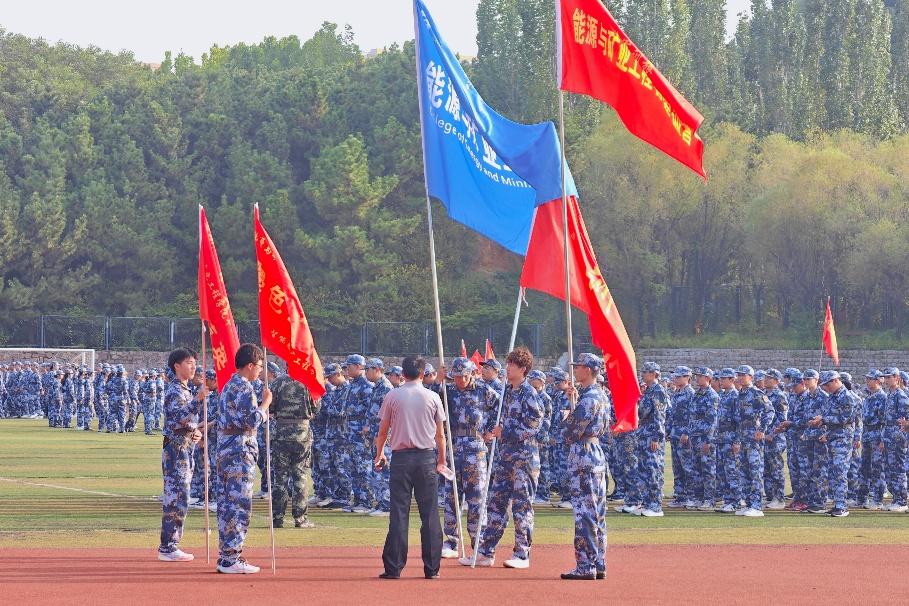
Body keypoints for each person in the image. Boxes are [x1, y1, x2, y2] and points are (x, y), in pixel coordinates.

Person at [461, 347, 543, 569]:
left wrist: (505, 432)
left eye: (511, 365)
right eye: (507, 364)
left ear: (523, 369)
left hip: (524, 459)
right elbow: (494, 415)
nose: (507, 368)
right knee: (496, 504)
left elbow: (534, 426)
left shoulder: (529, 393)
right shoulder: (506, 391)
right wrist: (489, 430)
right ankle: (485, 552)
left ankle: (522, 554)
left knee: (521, 507)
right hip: (504, 457)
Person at [374, 356, 447, 580]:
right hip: (426, 458)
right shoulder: (432, 397)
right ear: (423, 374)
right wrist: (442, 460)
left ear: (402, 374)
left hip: (401, 458)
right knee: (430, 513)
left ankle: (394, 567)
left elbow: (383, 431)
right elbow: (440, 435)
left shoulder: (392, 395)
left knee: (399, 512)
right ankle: (432, 568)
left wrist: (379, 454)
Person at [432, 357, 499, 558]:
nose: (460, 380)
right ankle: (451, 541)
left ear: (472, 374)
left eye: (464, 376)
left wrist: (490, 430)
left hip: (475, 449)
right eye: (456, 376)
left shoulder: (484, 390)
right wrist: (438, 381)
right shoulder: (447, 390)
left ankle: (479, 542)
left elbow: (500, 407)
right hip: (453, 448)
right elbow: (430, 403)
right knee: (451, 496)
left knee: (476, 497)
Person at [216, 343, 272, 574]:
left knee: (227, 504)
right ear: (249, 365)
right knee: (239, 505)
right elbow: (250, 421)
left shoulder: (230, 385)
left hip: (227, 450)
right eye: (259, 366)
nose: (260, 370)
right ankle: (231, 558)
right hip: (240, 452)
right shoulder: (244, 388)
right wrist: (265, 404)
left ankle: (226, 556)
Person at [559, 353, 609, 581]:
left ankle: (585, 565)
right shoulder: (599, 394)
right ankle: (598, 562)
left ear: (587, 370)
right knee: (597, 513)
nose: (575, 370)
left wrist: (567, 415)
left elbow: (569, 433)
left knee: (585, 514)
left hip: (583, 456)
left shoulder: (589, 399)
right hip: (594, 453)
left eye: (578, 366)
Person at [157, 347, 206, 562]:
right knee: (176, 497)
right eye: (188, 363)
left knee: (182, 496)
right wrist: (198, 400)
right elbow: (178, 417)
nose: (193, 367)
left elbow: (185, 422)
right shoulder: (175, 391)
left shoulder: (185, 390)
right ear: (177, 366)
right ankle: (168, 546)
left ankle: (171, 544)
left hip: (185, 448)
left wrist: (195, 431)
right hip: (176, 451)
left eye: (194, 363)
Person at [270, 362, 318, 528]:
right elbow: (316, 408)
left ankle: (277, 518)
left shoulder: (277, 382)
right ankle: (300, 518)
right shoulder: (308, 383)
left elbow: (270, 406)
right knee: (300, 475)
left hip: (281, 433)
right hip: (302, 434)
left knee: (280, 478)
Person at [813, 371, 855, 516]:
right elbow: (830, 415)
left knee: (840, 472)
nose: (825, 388)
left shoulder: (846, 396)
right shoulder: (833, 396)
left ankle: (842, 506)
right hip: (833, 438)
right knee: (833, 472)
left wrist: (823, 420)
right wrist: (822, 421)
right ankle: (837, 504)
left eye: (827, 385)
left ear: (835, 381)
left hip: (843, 439)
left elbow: (845, 418)